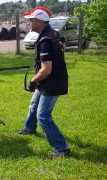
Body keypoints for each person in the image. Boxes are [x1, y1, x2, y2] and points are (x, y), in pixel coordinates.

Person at [18, 6, 70, 158]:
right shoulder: (51, 33)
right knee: (34, 105)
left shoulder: (46, 40)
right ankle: (29, 128)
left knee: (43, 116)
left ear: (39, 22)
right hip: (47, 80)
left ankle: (62, 148)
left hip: (52, 82)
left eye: (31, 21)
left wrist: (33, 80)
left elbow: (46, 69)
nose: (29, 23)